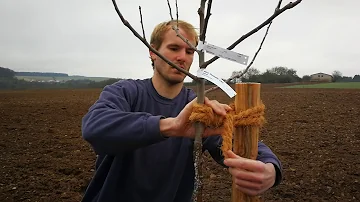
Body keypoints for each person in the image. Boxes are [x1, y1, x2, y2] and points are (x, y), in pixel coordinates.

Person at [81, 19, 282, 202]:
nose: (182, 57)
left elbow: (232, 138)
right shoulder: (126, 92)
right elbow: (94, 127)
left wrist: (270, 168)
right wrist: (172, 126)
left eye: (189, 51)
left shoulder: (199, 107)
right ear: (153, 52)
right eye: (174, 48)